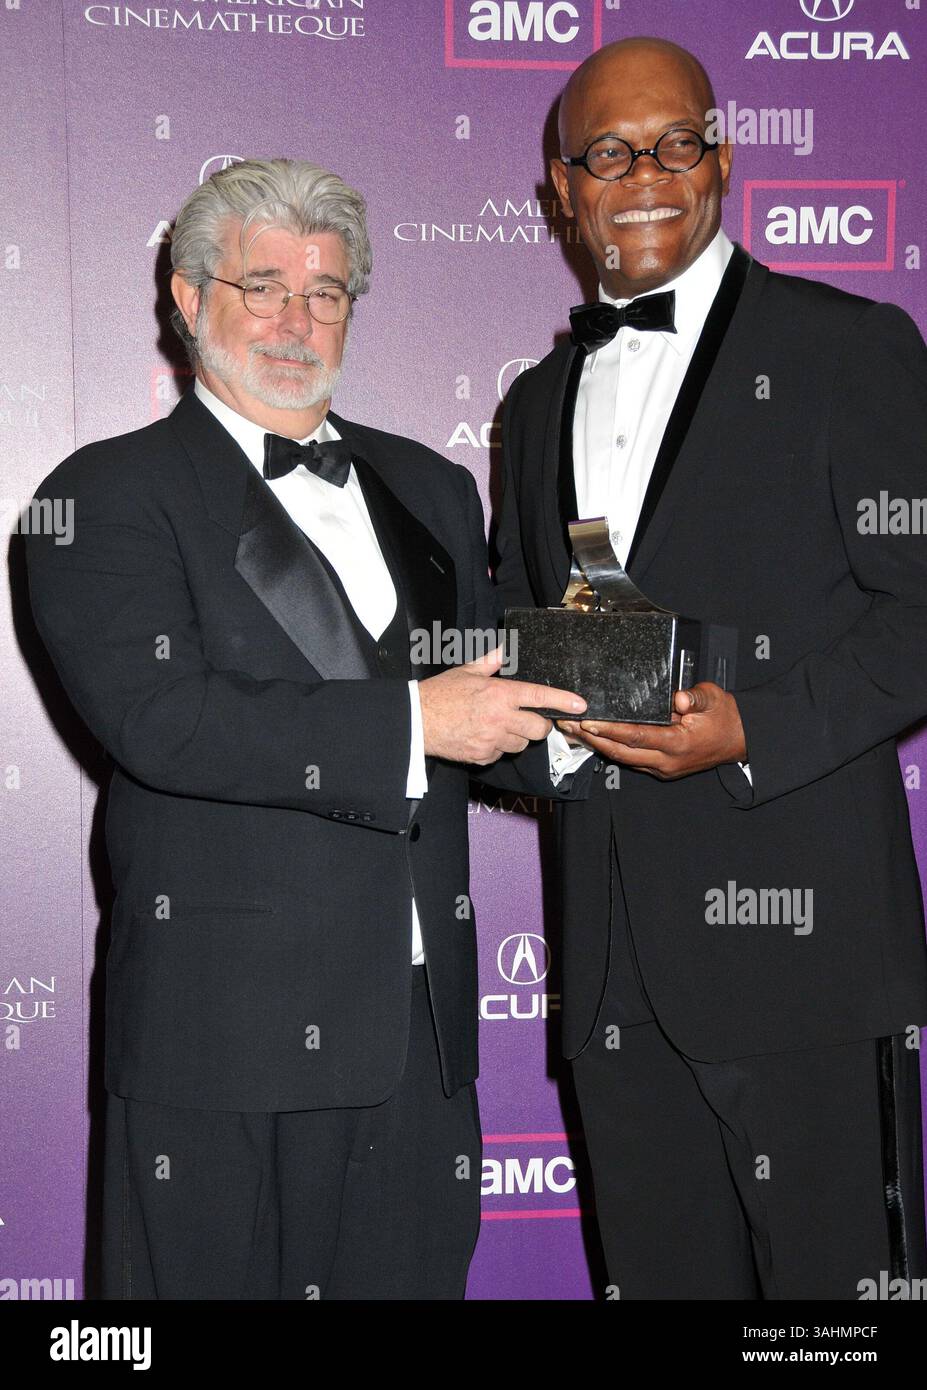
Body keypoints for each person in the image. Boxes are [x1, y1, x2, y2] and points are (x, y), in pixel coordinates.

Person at [24, 157, 586, 1300]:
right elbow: (164, 721)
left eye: (326, 291)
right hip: (223, 1043)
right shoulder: (99, 496)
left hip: (422, 1050)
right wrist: (418, 720)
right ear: (188, 299)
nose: (297, 319)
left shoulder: (431, 486)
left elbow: (482, 706)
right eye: (263, 285)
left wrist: (597, 716)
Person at [494, 37, 927, 1299]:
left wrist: (758, 729)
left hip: (803, 967)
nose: (645, 176)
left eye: (676, 143)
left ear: (724, 161)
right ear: (562, 192)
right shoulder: (533, 401)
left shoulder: (851, 347)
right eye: (608, 154)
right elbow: (539, 634)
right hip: (614, 973)